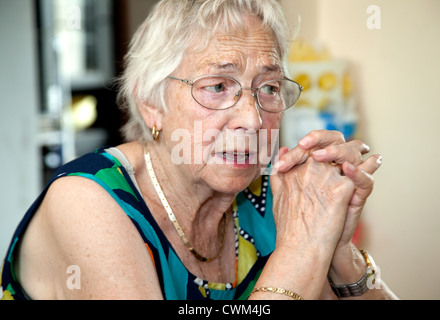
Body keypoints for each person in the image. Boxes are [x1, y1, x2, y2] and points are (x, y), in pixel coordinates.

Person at [1, 0, 397, 300]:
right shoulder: (89, 201)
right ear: (150, 103)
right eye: (218, 86)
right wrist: (302, 248)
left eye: (269, 88)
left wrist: (339, 249)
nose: (253, 120)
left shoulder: (270, 195)